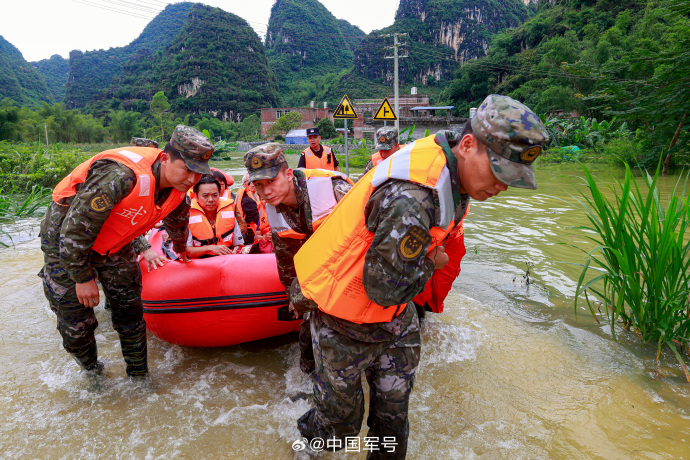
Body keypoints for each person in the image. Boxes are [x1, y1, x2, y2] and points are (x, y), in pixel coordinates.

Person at [291, 95, 549, 457]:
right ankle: (305, 440)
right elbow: (382, 288)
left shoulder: (452, 167)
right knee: (340, 427)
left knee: (393, 424)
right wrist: (435, 260)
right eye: (500, 172)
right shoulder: (412, 195)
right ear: (469, 144)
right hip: (343, 320)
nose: (502, 186)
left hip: (396, 318)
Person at [39, 125, 214, 377]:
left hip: (115, 242)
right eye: (186, 169)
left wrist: (181, 249)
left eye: (198, 173)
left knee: (130, 313)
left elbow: (178, 221)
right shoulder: (119, 176)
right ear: (165, 158)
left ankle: (139, 376)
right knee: (77, 325)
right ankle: (93, 373)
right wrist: (83, 278)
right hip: (66, 244)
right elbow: (74, 232)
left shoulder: (179, 189)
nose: (191, 179)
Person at [244, 143, 353, 374]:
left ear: (288, 174)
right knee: (307, 335)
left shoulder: (331, 187)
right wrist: (292, 296)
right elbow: (285, 260)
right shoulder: (273, 209)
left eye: (271, 181)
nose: (265, 192)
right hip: (320, 269)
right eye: (259, 185)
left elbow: (370, 226)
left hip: (352, 267)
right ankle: (307, 378)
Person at [186, 175, 245, 258]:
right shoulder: (187, 215)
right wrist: (209, 248)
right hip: (200, 263)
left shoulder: (229, 211)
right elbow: (185, 252)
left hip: (226, 260)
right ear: (196, 196)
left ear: (219, 194)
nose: (211, 199)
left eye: (214, 195)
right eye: (205, 196)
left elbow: (238, 244)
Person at [235, 173, 272, 254]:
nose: (252, 184)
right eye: (249, 181)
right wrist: (264, 237)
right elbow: (257, 221)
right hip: (250, 234)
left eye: (254, 181)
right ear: (244, 184)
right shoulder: (247, 200)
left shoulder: (255, 196)